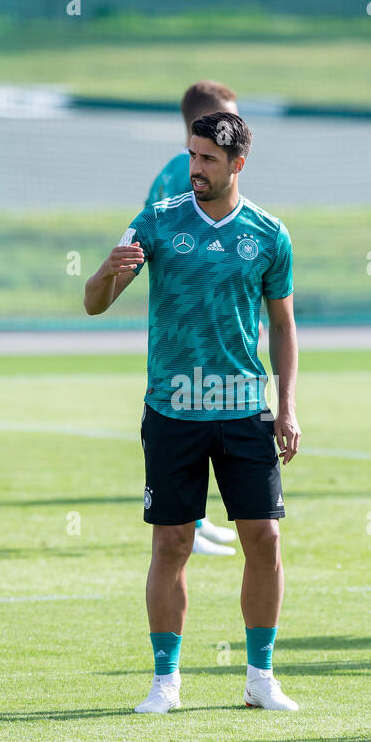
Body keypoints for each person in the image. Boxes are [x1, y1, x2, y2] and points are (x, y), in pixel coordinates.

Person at [84, 111, 301, 713]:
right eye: (192, 155)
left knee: (264, 539)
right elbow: (94, 305)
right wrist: (106, 272)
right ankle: (165, 682)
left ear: (237, 164)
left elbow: (283, 327)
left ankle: (260, 677)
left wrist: (286, 407)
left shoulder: (269, 233)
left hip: (244, 411)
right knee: (172, 544)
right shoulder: (157, 221)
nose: (195, 168)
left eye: (207, 158)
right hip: (173, 411)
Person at [146, 80, 242, 558]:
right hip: (187, 323)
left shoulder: (197, 169)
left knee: (206, 411)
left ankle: (198, 519)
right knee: (189, 415)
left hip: (207, 320)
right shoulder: (182, 173)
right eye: (229, 117)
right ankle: (189, 521)